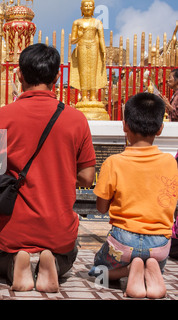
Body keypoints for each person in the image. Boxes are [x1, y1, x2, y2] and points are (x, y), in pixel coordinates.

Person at [0, 43, 96, 292]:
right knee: (66, 253)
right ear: (56, 77)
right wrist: (59, 175)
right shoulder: (76, 120)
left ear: (19, 75)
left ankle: (15, 263)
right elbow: (86, 177)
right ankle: (49, 260)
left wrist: (6, 180)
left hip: (11, 233)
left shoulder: (0, 117)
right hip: (59, 235)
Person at [89, 92, 178, 299]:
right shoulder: (170, 163)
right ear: (160, 127)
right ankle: (151, 271)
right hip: (160, 246)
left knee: (96, 271)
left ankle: (128, 271)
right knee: (153, 260)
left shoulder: (114, 163)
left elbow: (101, 209)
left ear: (124, 125)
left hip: (122, 242)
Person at [70, 0, 106, 103]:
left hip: (94, 46)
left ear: (94, 8)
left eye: (90, 6)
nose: (88, 8)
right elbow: (72, 40)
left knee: (93, 71)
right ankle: (84, 95)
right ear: (81, 9)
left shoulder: (98, 22)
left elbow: (101, 37)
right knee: (83, 71)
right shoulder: (77, 22)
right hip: (82, 46)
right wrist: (79, 37)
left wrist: (103, 50)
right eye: (85, 6)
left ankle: (93, 95)